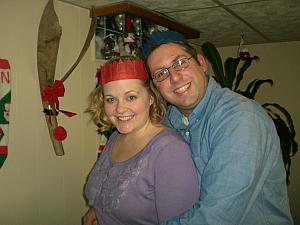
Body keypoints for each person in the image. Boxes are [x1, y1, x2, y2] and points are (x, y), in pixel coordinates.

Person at [141, 31, 294, 225]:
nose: (175, 78)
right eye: (161, 74)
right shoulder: (168, 120)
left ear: (202, 64)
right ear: (156, 86)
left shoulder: (240, 118)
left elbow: (216, 217)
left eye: (180, 63)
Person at [83, 56, 199, 225]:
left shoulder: (170, 151)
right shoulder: (116, 137)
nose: (120, 109)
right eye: (110, 99)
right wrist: (97, 210)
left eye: (131, 97)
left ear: (151, 97)